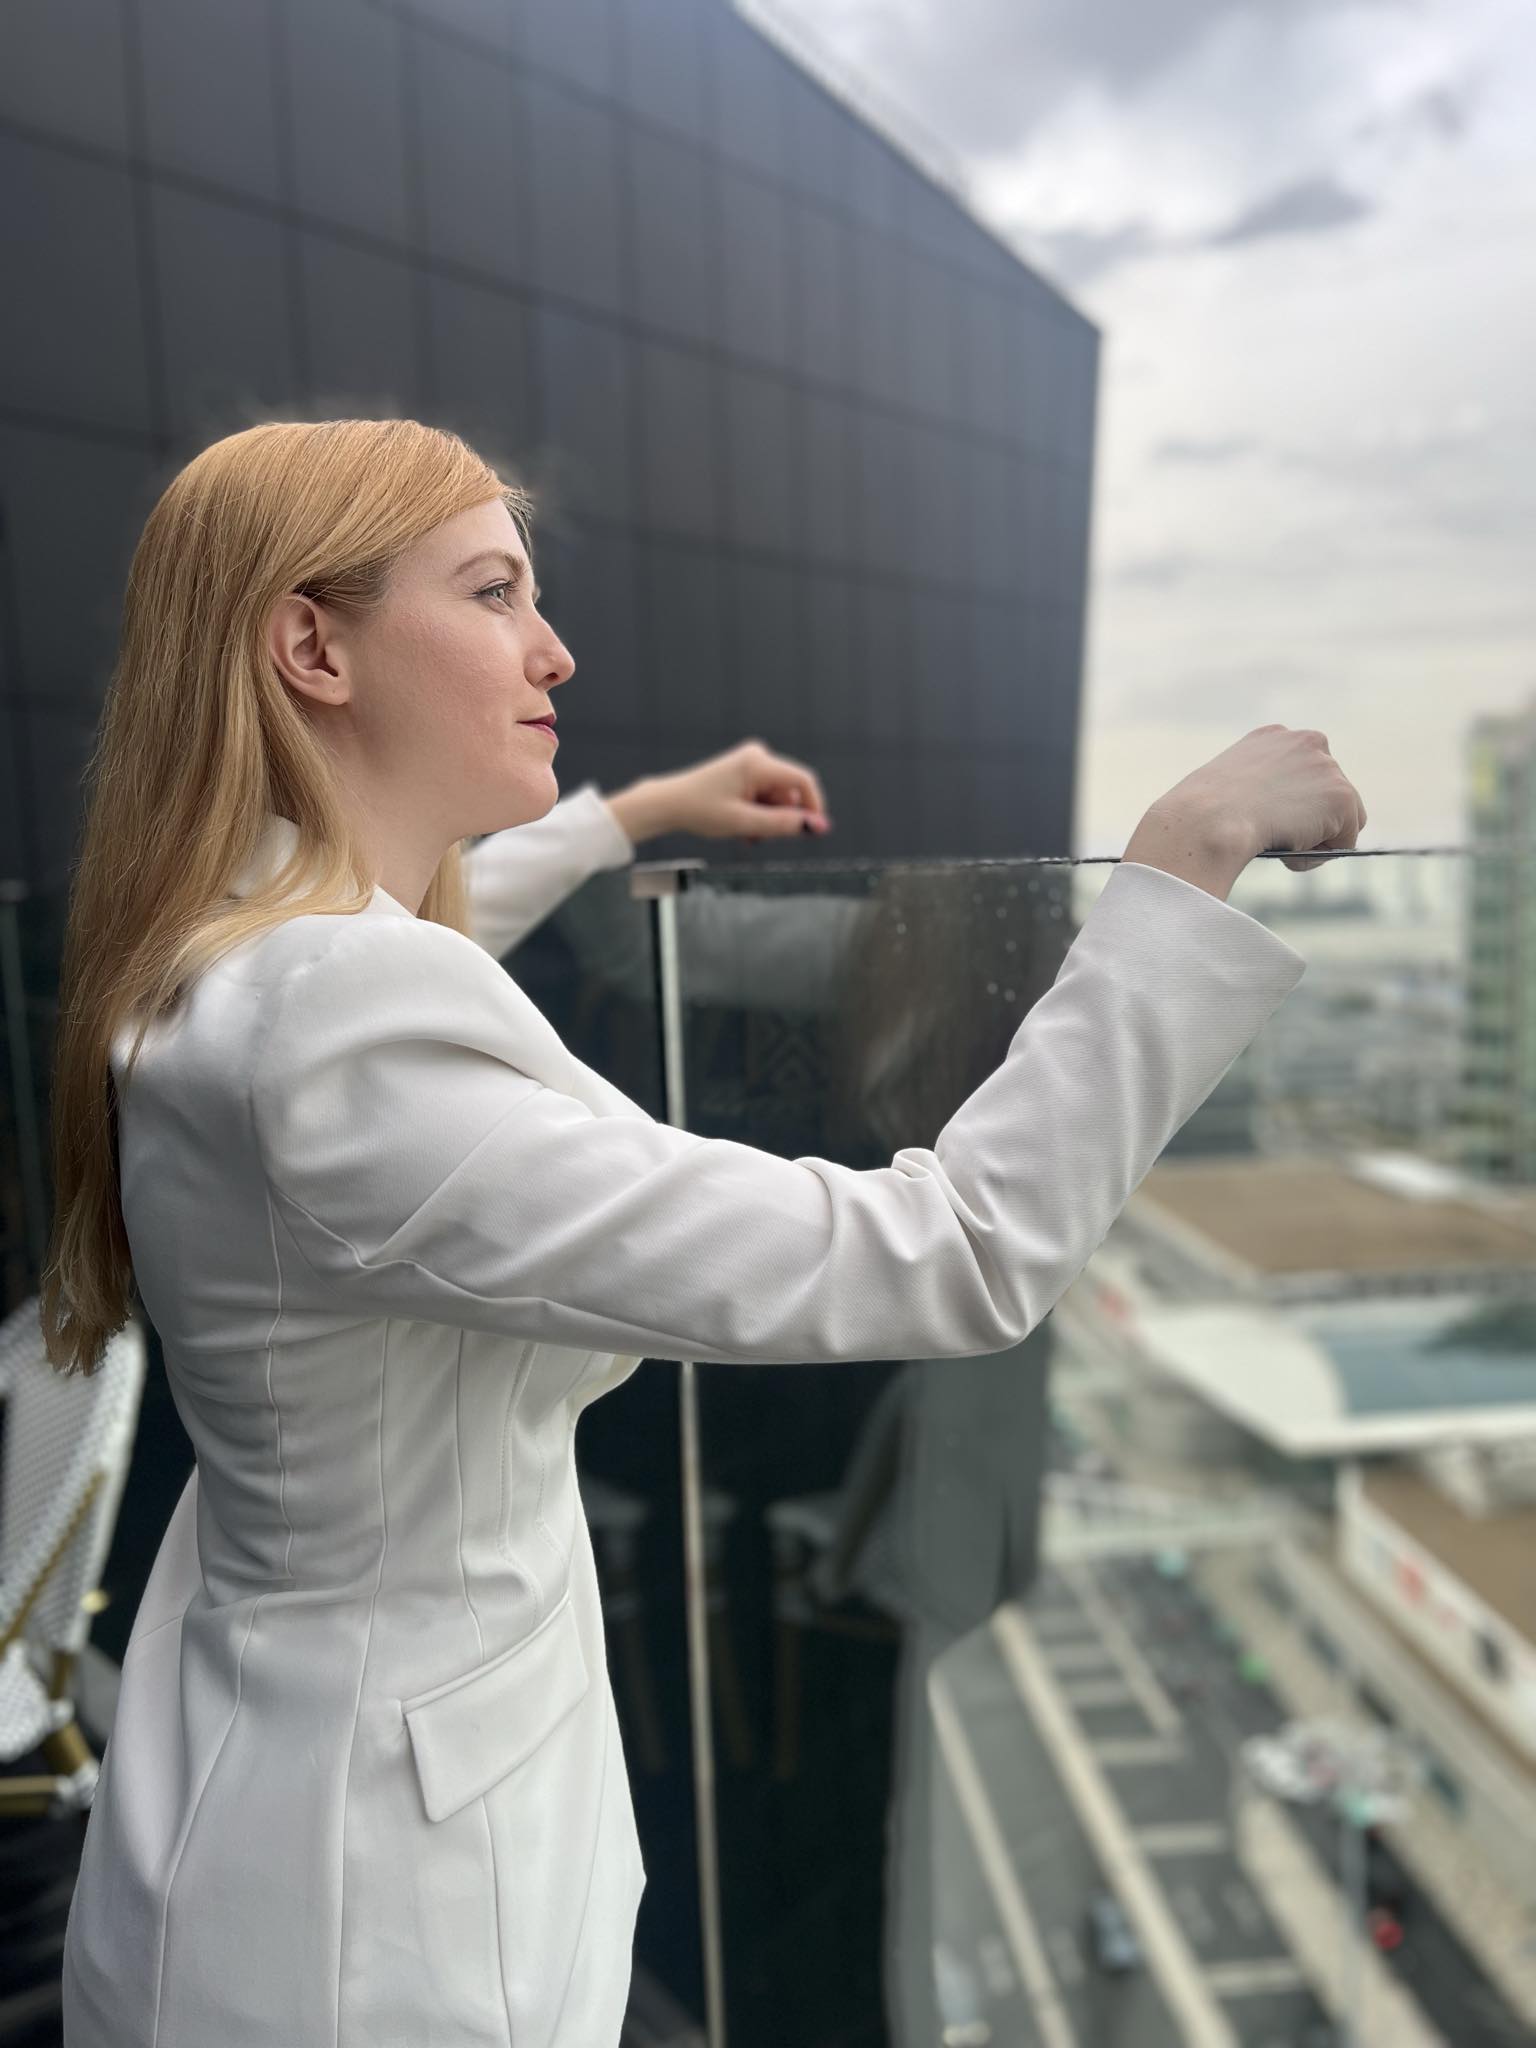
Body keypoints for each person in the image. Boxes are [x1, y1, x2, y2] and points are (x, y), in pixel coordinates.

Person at [44, 418, 1364, 2047]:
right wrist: (1179, 875)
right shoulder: (336, 1033)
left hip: (264, 1811)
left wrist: (634, 814)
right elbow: (947, 1251)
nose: (555, 647)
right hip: (380, 1932)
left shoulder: (227, 945)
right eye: (494, 592)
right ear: (311, 644)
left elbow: (393, 939)